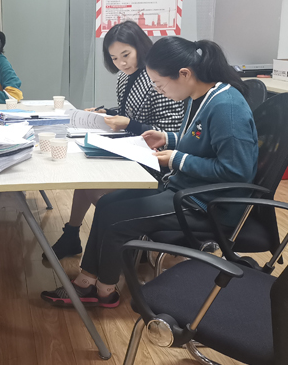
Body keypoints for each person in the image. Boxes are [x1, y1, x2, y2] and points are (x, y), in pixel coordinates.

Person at [41, 36, 258, 308]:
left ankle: (104, 291)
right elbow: (202, 142)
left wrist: (176, 158)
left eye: (159, 84)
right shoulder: (198, 96)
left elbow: (236, 171)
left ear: (184, 74)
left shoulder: (227, 107)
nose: (158, 90)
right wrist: (168, 138)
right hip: (186, 188)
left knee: (118, 218)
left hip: (208, 206)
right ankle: (87, 280)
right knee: (107, 204)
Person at [46, 21, 185, 261]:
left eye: (126, 55)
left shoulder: (157, 78)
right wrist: (106, 113)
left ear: (140, 47)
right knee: (86, 176)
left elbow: (170, 131)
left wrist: (129, 124)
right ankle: (73, 234)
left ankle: (128, 240)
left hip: (154, 159)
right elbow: (127, 111)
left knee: (95, 189)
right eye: (114, 58)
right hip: (131, 147)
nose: (121, 63)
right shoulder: (124, 77)